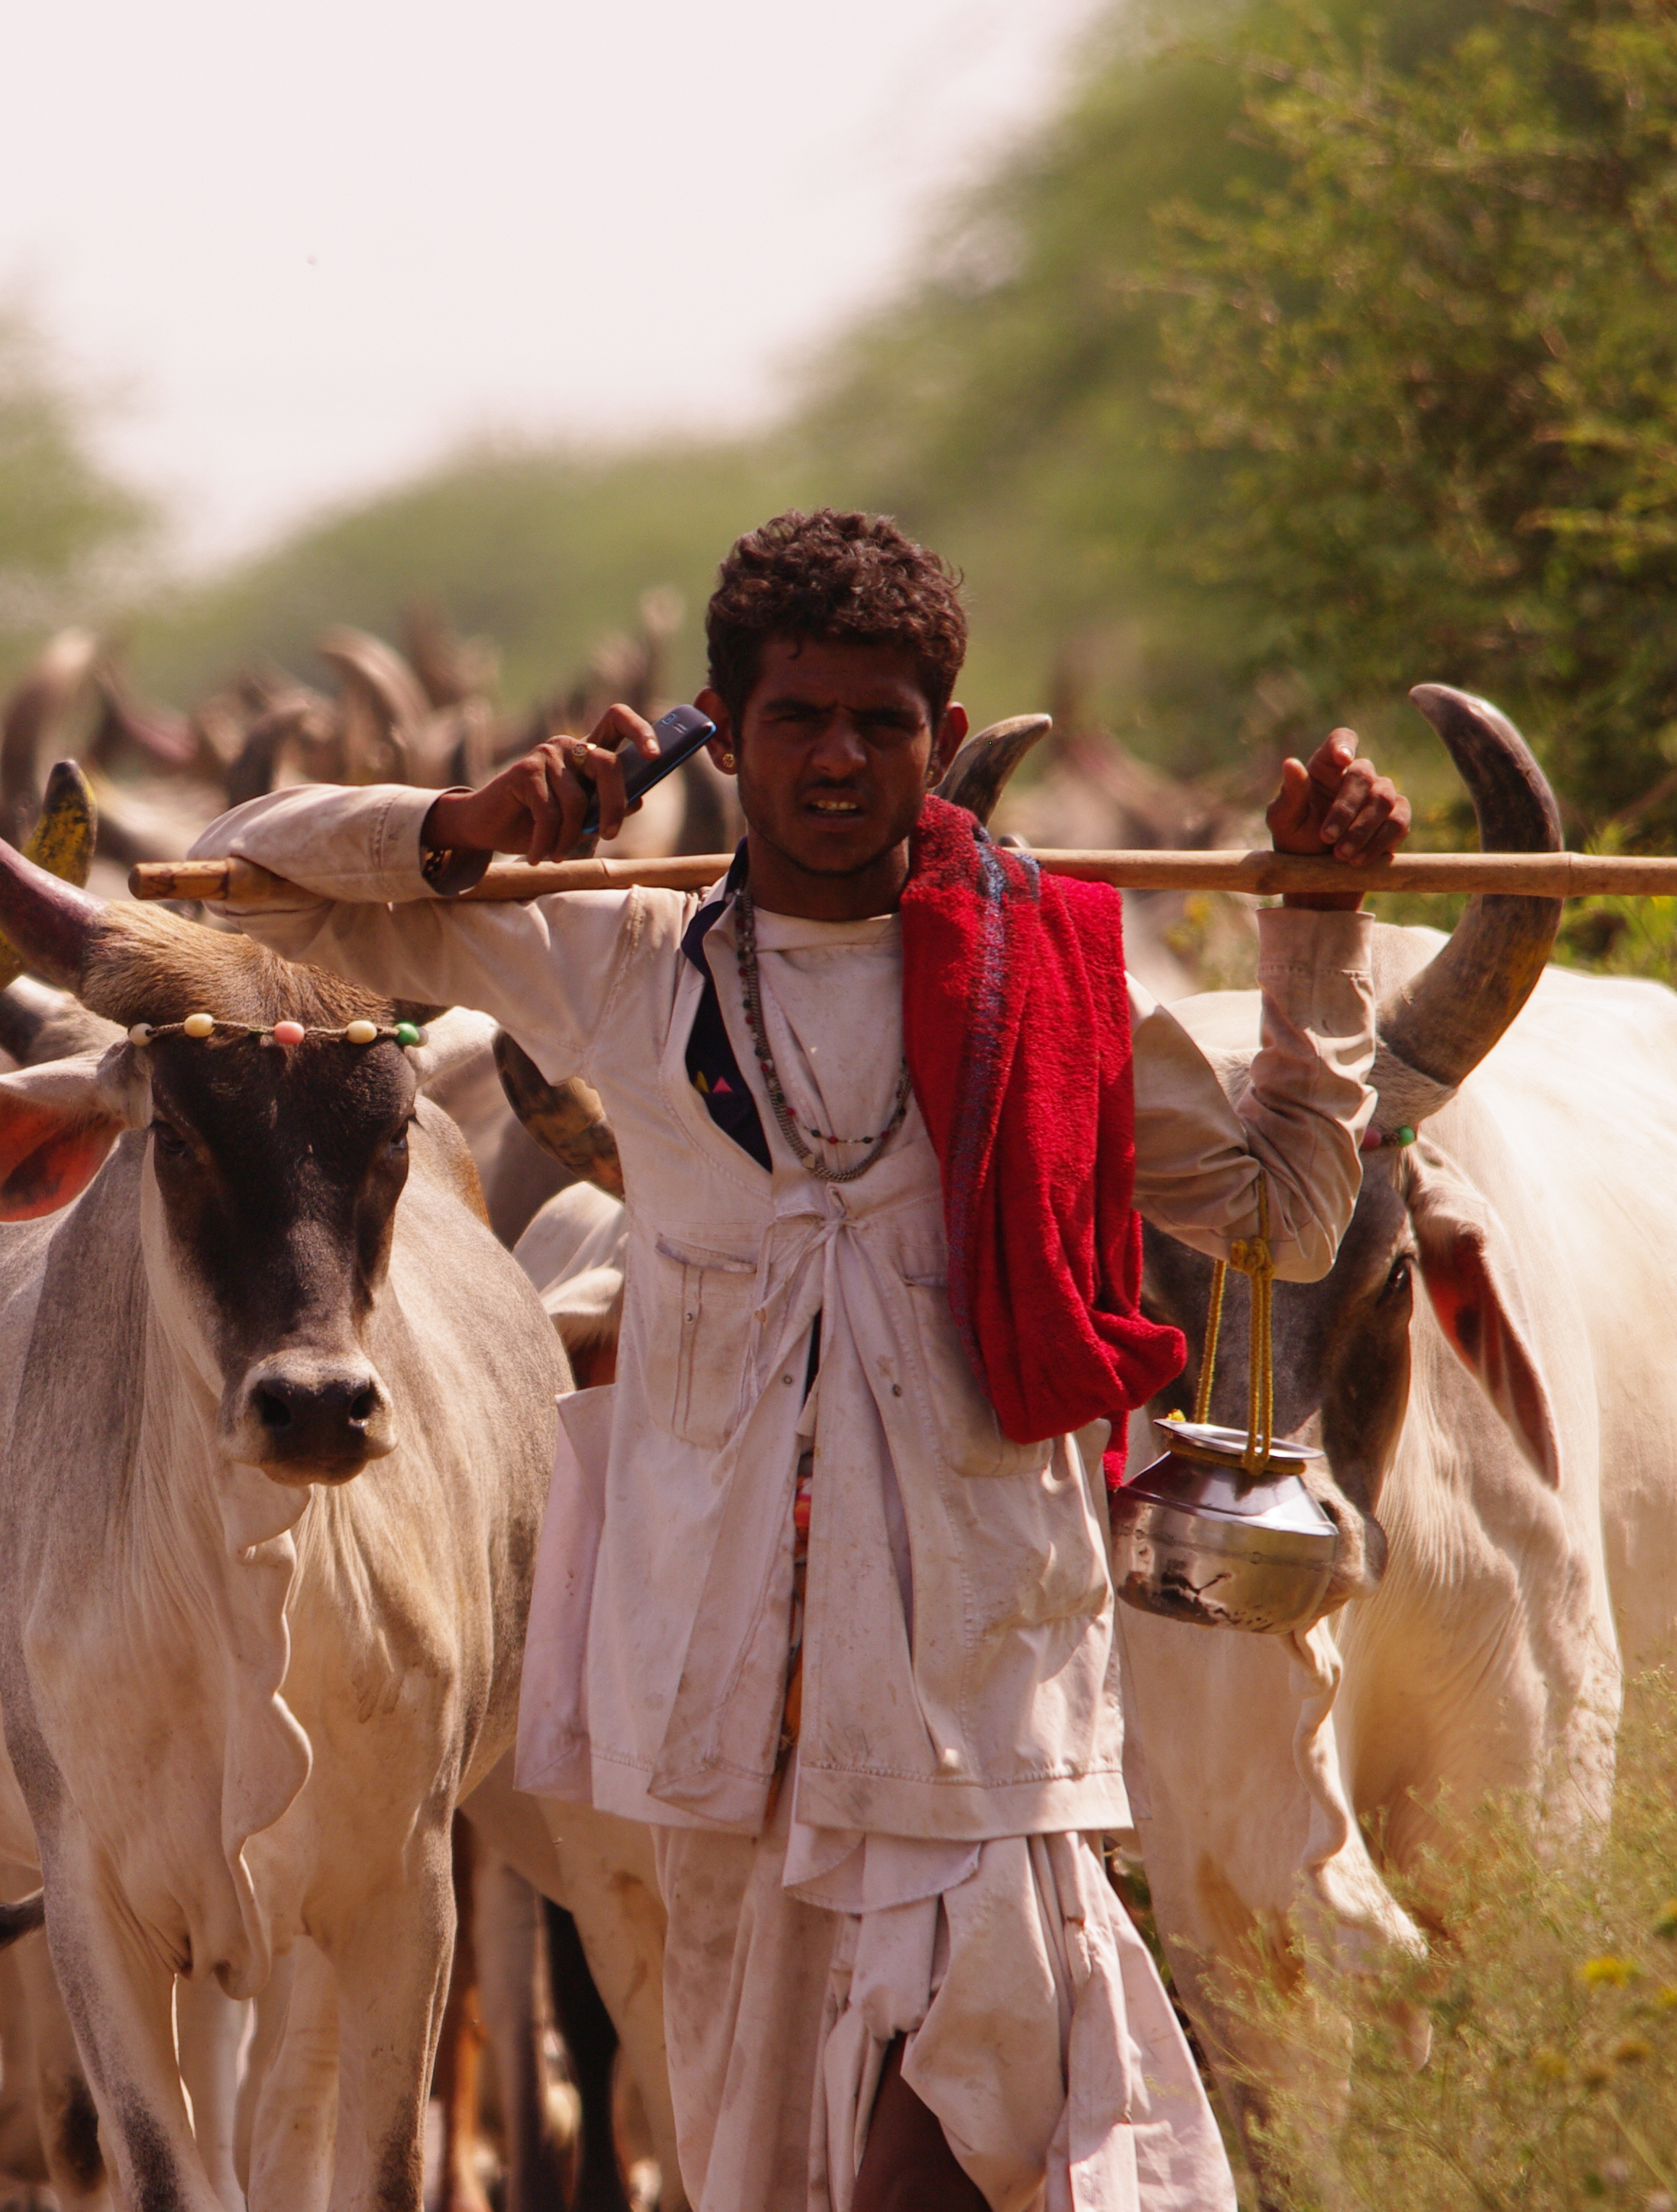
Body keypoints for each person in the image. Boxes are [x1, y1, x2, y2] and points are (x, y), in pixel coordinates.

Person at [188, 510, 1408, 2212]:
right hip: (720, 1690)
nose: (838, 759)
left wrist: (1318, 929)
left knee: (976, 2136)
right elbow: (230, 875)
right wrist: (456, 827)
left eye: (881, 722)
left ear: (942, 737)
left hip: (977, 1690)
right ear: (720, 727)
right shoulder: (613, 958)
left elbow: (1284, 1202)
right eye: (795, 720)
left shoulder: (1047, 987)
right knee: (765, 2163)